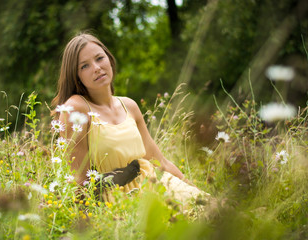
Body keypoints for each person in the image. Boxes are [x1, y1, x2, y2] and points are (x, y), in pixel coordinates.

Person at [51, 32, 206, 202]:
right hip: (120, 203)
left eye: (99, 58)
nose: (96, 67)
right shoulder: (76, 108)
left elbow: (161, 161)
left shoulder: (129, 105)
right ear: (76, 76)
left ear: (109, 60)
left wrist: (196, 192)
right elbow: (80, 181)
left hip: (157, 186)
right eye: (84, 66)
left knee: (212, 210)